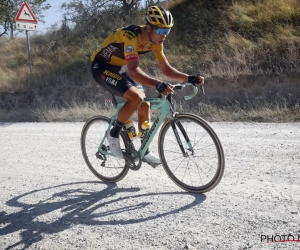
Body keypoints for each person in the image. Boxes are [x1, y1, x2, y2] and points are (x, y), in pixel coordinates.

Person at [90, 5, 204, 164]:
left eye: (167, 31)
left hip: (121, 68)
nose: (164, 35)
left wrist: (188, 78)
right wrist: (158, 84)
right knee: (136, 97)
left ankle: (144, 148)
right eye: (161, 31)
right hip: (102, 67)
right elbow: (134, 70)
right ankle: (114, 133)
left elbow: (166, 70)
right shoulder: (130, 36)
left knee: (144, 104)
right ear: (149, 28)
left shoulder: (156, 41)